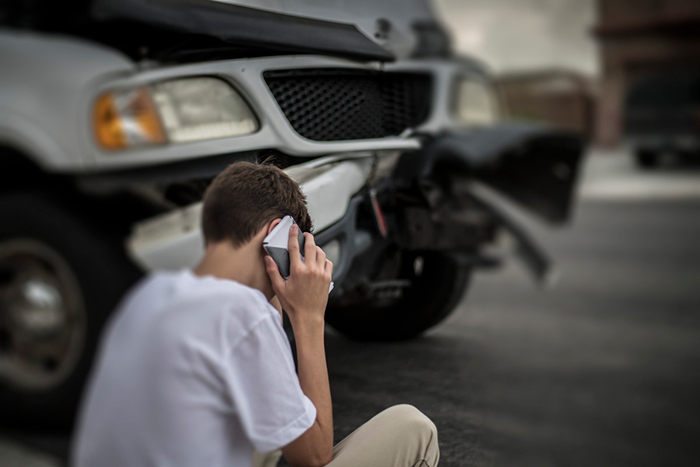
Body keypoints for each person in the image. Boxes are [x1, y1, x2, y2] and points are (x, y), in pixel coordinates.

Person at [71, 161, 440, 467]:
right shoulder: (239, 312)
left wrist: (279, 298)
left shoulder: (150, 295)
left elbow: (266, 378)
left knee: (267, 419)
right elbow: (314, 455)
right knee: (413, 427)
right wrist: (310, 318)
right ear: (277, 235)